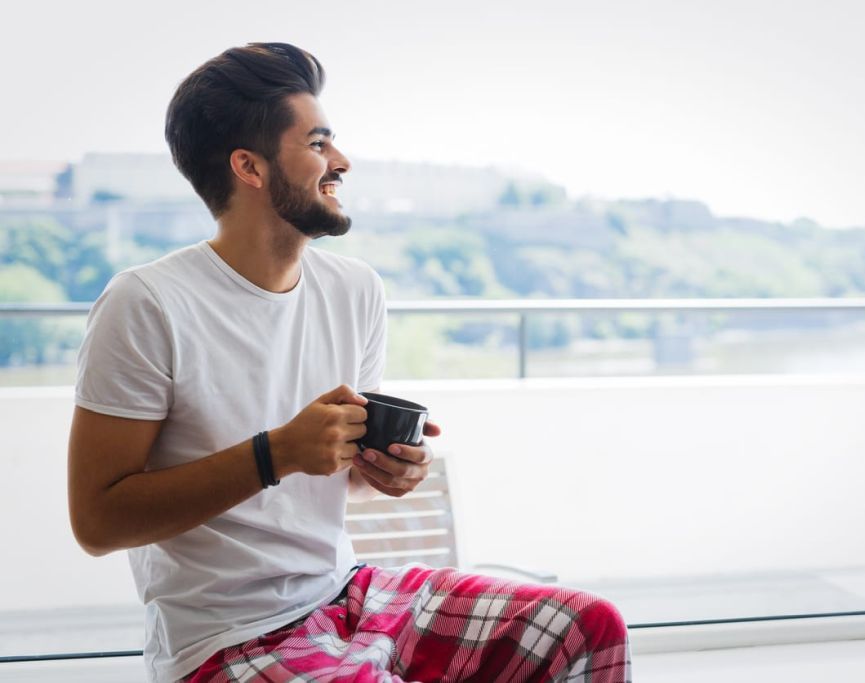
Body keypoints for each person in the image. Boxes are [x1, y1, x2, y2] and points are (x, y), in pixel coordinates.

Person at [67, 42, 631, 682]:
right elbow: (97, 521)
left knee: (585, 628)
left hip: (350, 593)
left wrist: (383, 467)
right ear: (249, 168)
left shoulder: (355, 289)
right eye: (317, 144)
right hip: (225, 639)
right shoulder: (146, 303)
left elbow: (341, 473)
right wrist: (274, 451)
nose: (341, 161)